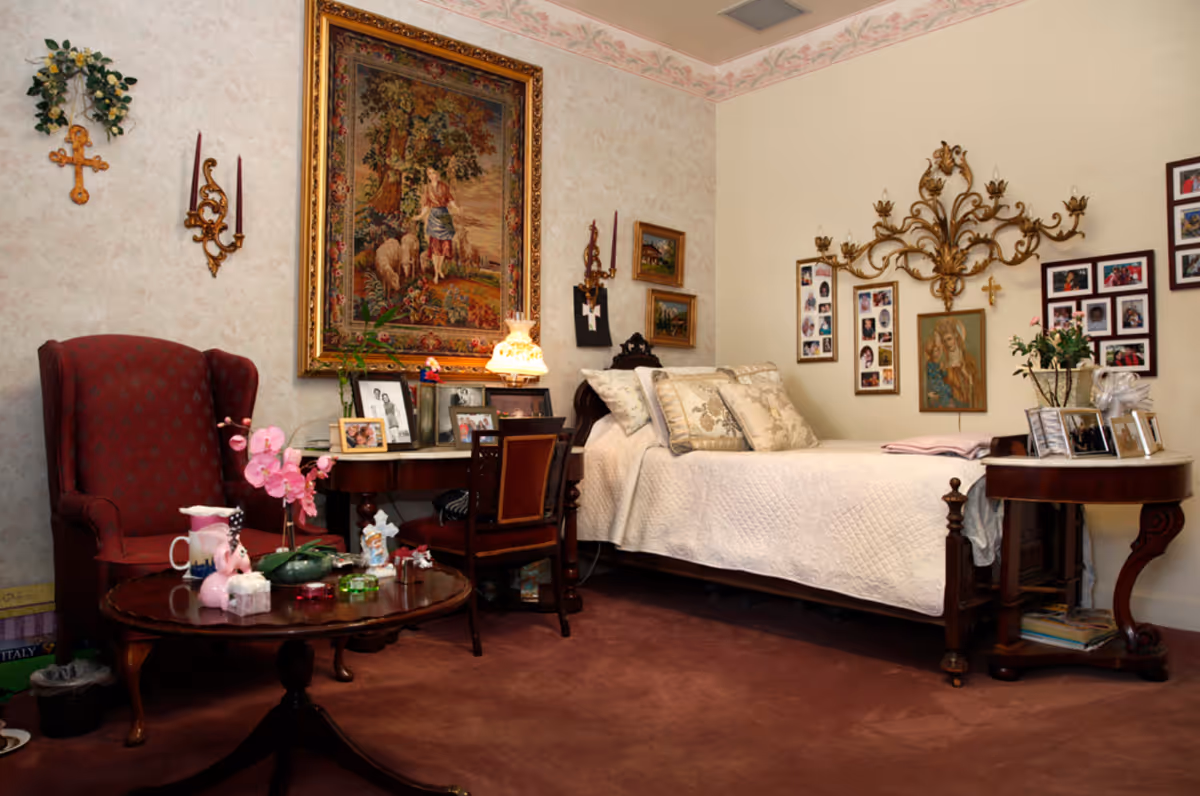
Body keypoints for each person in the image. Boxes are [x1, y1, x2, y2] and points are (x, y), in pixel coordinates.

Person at [415, 165, 460, 284]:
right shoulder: (427, 189)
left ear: (437, 174)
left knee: (445, 245)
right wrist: (420, 216)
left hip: (444, 215)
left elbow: (450, 199)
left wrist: (456, 207)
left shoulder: (444, 186)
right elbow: (426, 205)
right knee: (435, 247)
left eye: (433, 173)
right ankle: (436, 273)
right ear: (428, 176)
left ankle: (440, 269)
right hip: (434, 216)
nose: (432, 176)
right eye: (429, 174)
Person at [934, 316, 982, 408]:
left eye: (949, 339)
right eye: (944, 341)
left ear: (956, 336)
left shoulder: (968, 359)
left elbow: (974, 385)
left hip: (966, 403)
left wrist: (967, 375)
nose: (948, 344)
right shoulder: (943, 364)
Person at [923, 334, 952, 408]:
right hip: (934, 385)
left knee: (947, 388)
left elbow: (944, 375)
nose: (938, 353)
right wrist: (939, 369)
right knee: (943, 391)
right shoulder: (929, 364)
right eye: (935, 351)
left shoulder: (938, 363)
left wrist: (943, 370)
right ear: (931, 353)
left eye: (938, 350)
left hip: (940, 383)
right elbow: (931, 375)